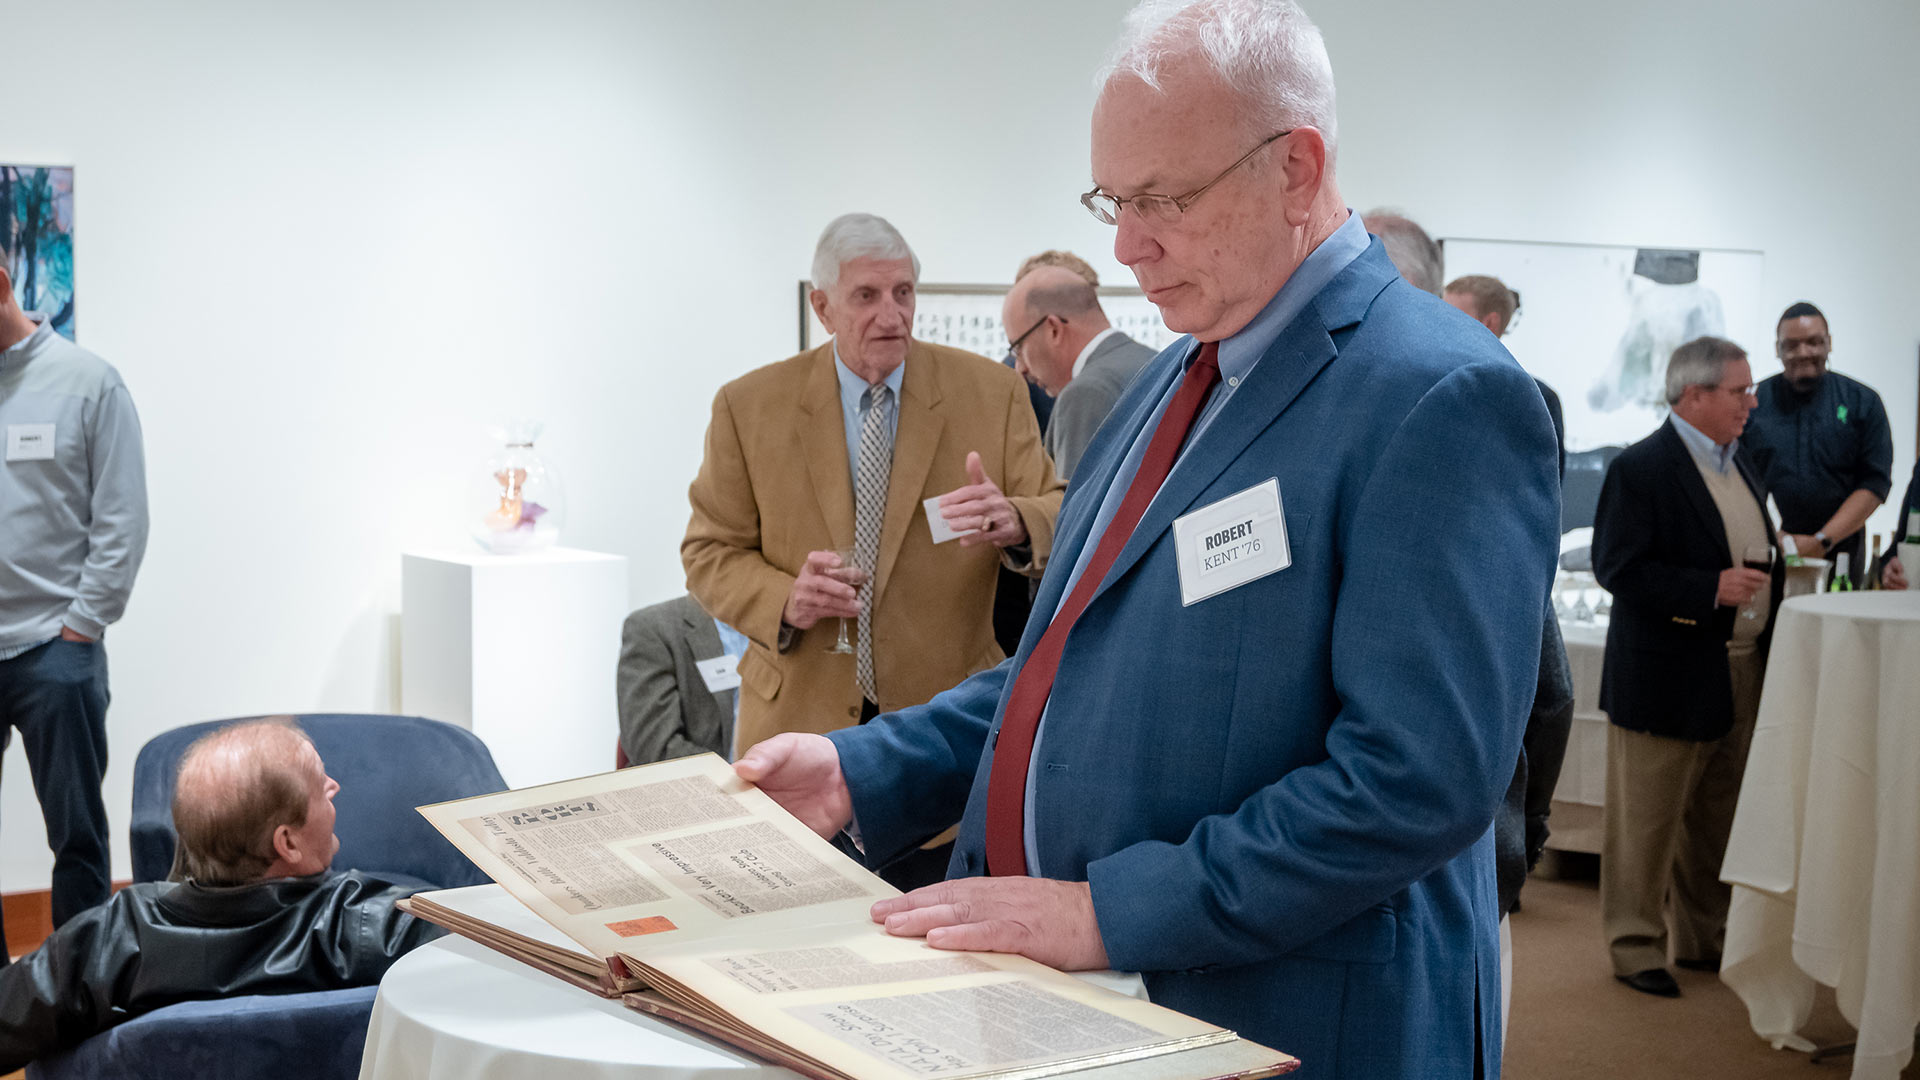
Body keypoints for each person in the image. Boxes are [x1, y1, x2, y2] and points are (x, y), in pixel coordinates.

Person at [736, 3, 1559, 1076]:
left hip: (1290, 1021)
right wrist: (866, 768)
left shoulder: (1440, 396)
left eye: (1165, 199)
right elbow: (1072, 661)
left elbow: (1413, 781)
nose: (1126, 246)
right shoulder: (1180, 371)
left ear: (1298, 169)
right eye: (1114, 201)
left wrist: (1104, 915)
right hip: (1096, 1015)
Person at [682, 213, 1064, 885]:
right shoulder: (750, 407)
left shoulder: (993, 393)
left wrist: (1016, 520)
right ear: (822, 306)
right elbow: (708, 552)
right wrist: (784, 598)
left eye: (904, 293)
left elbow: (1066, 512)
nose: (892, 314)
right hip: (798, 738)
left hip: (941, 745)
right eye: (867, 296)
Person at [0, 718, 443, 1069]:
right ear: (286, 843)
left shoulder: (113, 934)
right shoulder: (362, 920)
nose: (334, 787)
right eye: (319, 784)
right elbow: (491, 942)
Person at [1591, 336, 1783, 999]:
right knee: (1646, 824)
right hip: (1665, 674)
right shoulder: (1641, 468)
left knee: (1716, 818)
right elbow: (1618, 567)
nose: (1753, 402)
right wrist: (1708, 589)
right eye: (1741, 391)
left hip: (1737, 669)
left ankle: (1705, 937)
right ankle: (1634, 944)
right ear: (1695, 394)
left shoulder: (1743, 463)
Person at [0, 254, 148, 959]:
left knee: (78, 841)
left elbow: (123, 521)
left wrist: (79, 629)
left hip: (55, 654)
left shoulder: (90, 383)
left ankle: (81, 1002)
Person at [1740, 302, 1894, 586]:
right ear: (1777, 349)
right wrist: (1771, 534)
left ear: (1829, 343)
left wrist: (1821, 541)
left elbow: (1874, 484)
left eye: (1813, 342)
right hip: (1764, 550)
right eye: (1792, 345)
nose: (1803, 353)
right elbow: (1735, 479)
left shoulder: (1863, 402)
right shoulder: (1752, 405)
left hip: (1841, 551)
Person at [1003, 263, 1157, 481]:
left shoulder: (1085, 393)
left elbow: (1075, 510)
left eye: (1018, 348)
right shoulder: (1159, 362)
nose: (1020, 367)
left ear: (1054, 329)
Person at [617, 593, 749, 765]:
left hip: (778, 784)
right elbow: (655, 749)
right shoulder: (653, 628)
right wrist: (743, 778)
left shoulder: (788, 630)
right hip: (699, 784)